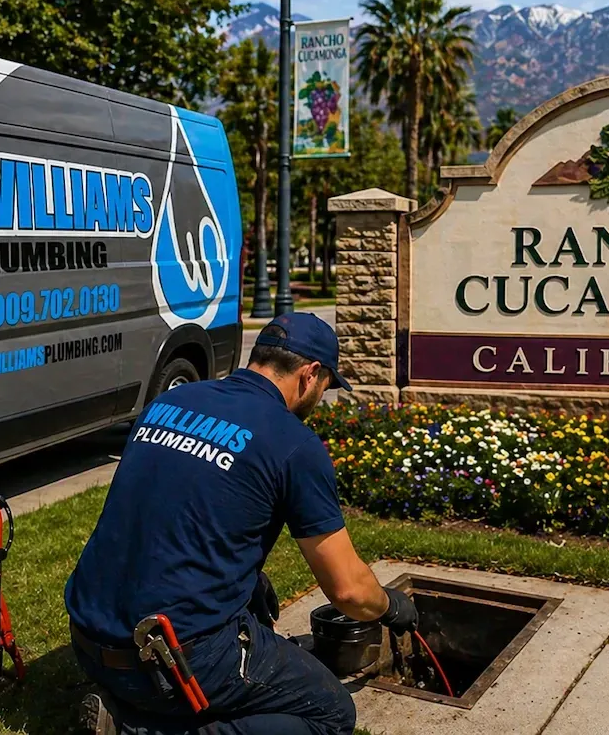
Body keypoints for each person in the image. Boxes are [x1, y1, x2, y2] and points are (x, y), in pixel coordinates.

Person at [64, 312, 419, 735]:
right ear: (310, 375)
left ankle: (121, 705)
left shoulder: (171, 402)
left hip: (89, 639)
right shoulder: (292, 443)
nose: (320, 399)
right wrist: (391, 606)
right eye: (325, 388)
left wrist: (248, 579)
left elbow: (170, 511)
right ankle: (136, 729)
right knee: (330, 713)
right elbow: (348, 591)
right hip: (171, 666)